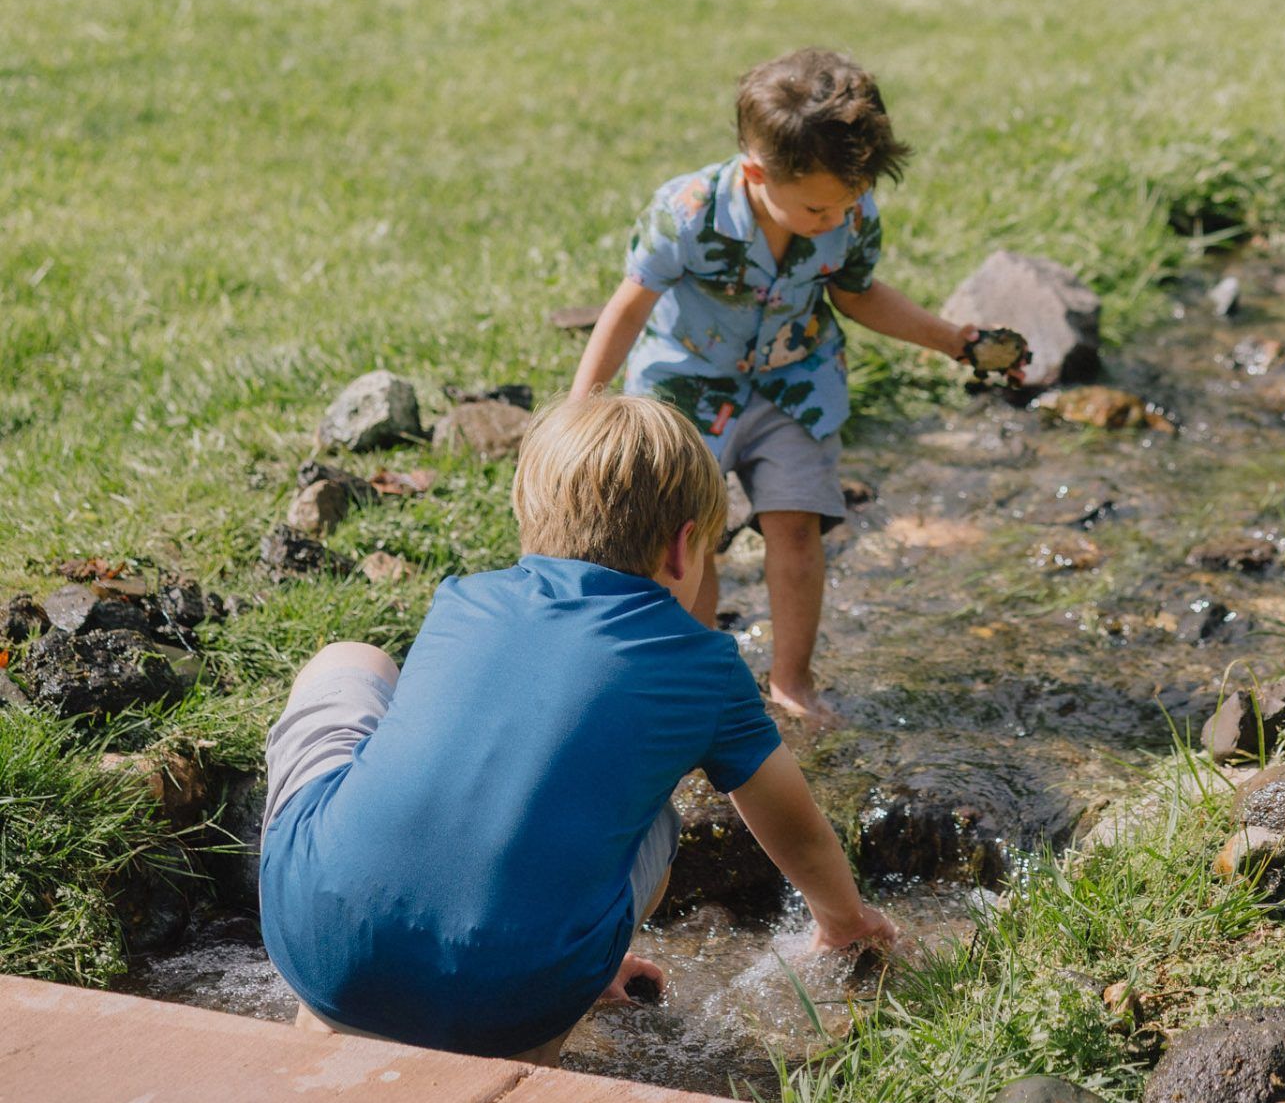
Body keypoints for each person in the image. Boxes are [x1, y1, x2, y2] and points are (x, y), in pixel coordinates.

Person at [258, 394, 895, 1061]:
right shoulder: (704, 663)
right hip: (517, 998)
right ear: (683, 549)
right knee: (653, 819)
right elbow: (794, 827)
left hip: (315, 939)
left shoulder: (463, 599)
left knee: (350, 660)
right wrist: (843, 923)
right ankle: (539, 1046)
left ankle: (330, 1019)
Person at [568, 49, 1011, 724]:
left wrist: (953, 340)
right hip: (686, 385)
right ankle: (702, 680)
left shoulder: (848, 213)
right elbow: (629, 305)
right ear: (756, 172)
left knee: (797, 526)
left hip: (793, 384)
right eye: (817, 207)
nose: (834, 220)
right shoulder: (688, 212)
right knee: (691, 540)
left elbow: (858, 296)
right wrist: (583, 407)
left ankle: (791, 682)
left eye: (849, 203)